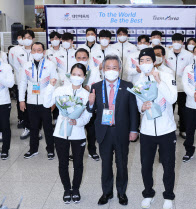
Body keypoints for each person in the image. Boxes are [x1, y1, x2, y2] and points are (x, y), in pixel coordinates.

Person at [87, 55, 139, 206]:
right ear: (102, 69)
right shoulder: (96, 87)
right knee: (106, 164)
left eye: (114, 68)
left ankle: (121, 193)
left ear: (120, 70)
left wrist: (134, 130)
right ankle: (107, 192)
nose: (111, 71)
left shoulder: (128, 86)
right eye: (108, 68)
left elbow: (133, 111)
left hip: (121, 131)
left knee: (122, 164)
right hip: (104, 132)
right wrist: (90, 103)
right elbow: (91, 110)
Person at [135, 48, 177, 209]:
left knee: (168, 165)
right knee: (146, 165)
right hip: (147, 131)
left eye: (147, 60)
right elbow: (139, 106)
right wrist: (143, 107)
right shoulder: (139, 82)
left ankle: (168, 196)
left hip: (166, 129)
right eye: (142, 60)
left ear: (154, 61)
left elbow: (172, 98)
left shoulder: (166, 76)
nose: (145, 63)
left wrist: (159, 81)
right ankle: (148, 193)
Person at [44, 63, 92, 204]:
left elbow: (88, 116)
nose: (76, 77)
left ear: (84, 77)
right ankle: (66, 188)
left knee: (78, 163)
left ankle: (75, 189)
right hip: (61, 132)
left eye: (80, 75)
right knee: (63, 163)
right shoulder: (60, 90)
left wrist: (77, 122)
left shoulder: (86, 94)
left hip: (78, 132)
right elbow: (47, 104)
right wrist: (50, 86)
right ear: (70, 75)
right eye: (74, 74)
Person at [19, 42, 58, 160]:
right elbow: (22, 83)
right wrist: (21, 100)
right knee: (33, 127)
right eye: (34, 50)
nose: (36, 53)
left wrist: (53, 101)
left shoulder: (50, 65)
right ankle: (33, 149)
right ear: (31, 52)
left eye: (39, 50)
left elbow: (55, 83)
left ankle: (50, 150)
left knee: (48, 127)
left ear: (44, 52)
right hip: (31, 101)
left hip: (45, 102)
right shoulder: (26, 65)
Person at [165, 33, 194, 139]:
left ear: (182, 43)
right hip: (170, 87)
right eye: (174, 41)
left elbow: (192, 70)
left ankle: (183, 129)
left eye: (179, 41)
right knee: (169, 110)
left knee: (183, 111)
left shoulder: (188, 55)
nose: (176, 43)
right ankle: (170, 130)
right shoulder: (167, 53)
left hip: (183, 88)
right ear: (172, 42)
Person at [75, 48, 101, 160]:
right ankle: (75, 151)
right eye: (79, 58)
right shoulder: (72, 70)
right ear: (75, 58)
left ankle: (92, 150)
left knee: (91, 129)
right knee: (77, 128)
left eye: (84, 58)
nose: (81, 60)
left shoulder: (94, 70)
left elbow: (98, 85)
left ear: (88, 58)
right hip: (76, 104)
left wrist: (88, 88)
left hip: (91, 103)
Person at [13, 30, 35, 139]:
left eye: (29, 37)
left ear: (33, 39)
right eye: (24, 37)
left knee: (34, 107)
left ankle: (36, 129)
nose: (27, 39)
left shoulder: (37, 51)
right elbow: (16, 66)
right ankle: (27, 127)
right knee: (24, 106)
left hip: (35, 85)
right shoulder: (17, 52)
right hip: (22, 84)